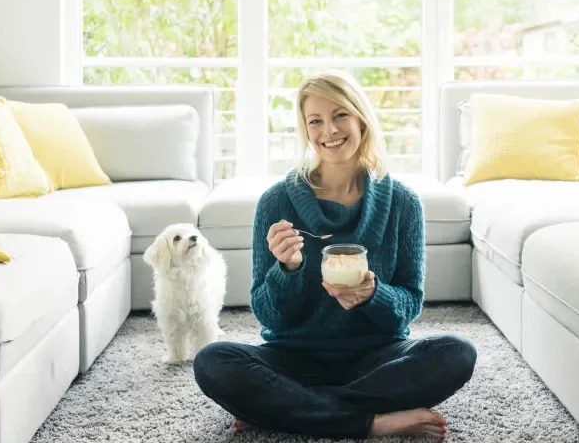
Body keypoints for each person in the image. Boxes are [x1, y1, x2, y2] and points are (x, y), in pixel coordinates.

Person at [193, 71, 477, 440]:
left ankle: (286, 409)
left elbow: (408, 307)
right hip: (293, 357)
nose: (329, 130)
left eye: (340, 114)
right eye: (316, 121)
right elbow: (267, 315)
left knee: (457, 352)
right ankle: (372, 421)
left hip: (376, 357)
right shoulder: (276, 202)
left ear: (361, 118)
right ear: (305, 130)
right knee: (213, 361)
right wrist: (287, 269)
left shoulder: (403, 203)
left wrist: (374, 295)